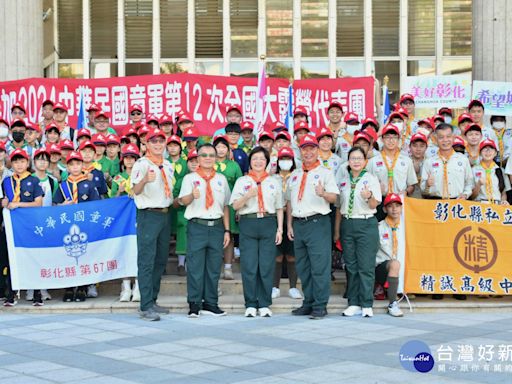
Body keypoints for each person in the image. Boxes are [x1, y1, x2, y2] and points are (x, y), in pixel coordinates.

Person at [286, 134, 339, 319]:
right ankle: (308, 302)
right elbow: (290, 202)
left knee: (319, 266)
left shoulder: (325, 172)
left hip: (318, 223)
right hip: (299, 224)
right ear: (299, 151)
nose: (308, 152)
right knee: (303, 267)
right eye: (304, 149)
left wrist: (323, 193)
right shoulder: (295, 174)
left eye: (311, 148)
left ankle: (320, 304)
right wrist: (289, 225)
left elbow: (334, 197)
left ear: (317, 150)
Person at [178, 143, 231, 318]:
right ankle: (194, 303)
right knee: (195, 266)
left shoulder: (221, 179)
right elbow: (182, 202)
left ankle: (211, 303)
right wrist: (191, 196)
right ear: (198, 159)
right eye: (204, 155)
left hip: (216, 227)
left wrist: (227, 230)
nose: (208, 158)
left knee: (214, 267)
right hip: (197, 226)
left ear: (215, 158)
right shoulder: (189, 179)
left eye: (211, 155)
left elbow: (225, 206)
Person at [231, 147, 284, 317]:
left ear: (267, 162)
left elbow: (279, 208)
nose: (259, 162)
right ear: (250, 161)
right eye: (255, 158)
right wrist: (247, 196)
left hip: (269, 222)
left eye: (262, 158)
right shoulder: (243, 181)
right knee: (249, 264)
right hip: (249, 222)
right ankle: (251, 303)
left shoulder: (273, 182)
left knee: (267, 265)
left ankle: (264, 303)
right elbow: (235, 206)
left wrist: (280, 229)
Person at [131, 128, 174, 321]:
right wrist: (144, 180)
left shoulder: (168, 164)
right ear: (146, 145)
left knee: (160, 259)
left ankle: (153, 299)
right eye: (153, 141)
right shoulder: (141, 164)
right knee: (147, 260)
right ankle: (145, 305)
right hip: (148, 215)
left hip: (165, 214)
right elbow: (134, 191)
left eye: (160, 141)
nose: (158, 145)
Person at [334, 146, 382, 317]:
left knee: (366, 265)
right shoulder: (344, 180)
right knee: (352, 266)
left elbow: (374, 204)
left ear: (365, 161)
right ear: (348, 161)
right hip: (348, 223)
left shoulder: (371, 179)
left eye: (359, 158)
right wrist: (337, 231)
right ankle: (353, 302)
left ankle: (366, 302)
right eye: (353, 158)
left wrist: (369, 196)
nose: (356, 161)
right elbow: (339, 207)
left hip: (366, 224)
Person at [53, 151, 100, 302]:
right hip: (67, 226)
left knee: (84, 255)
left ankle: (82, 287)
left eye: (78, 164)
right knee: (68, 256)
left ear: (82, 165)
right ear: (67, 167)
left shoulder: (89, 184)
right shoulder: (62, 186)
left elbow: (96, 206)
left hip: (84, 225)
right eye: (71, 164)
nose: (75, 167)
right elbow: (54, 206)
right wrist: (62, 205)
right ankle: (68, 287)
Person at [1, 149, 43, 306]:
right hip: (11, 227)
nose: (19, 165)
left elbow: (38, 203)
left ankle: (37, 294)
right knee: (12, 259)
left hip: (30, 225)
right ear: (11, 164)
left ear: (27, 163)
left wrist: (17, 204)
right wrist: (3, 203)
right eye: (16, 162)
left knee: (33, 257)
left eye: (22, 161)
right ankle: (11, 294)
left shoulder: (34, 180)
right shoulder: (6, 181)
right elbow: (3, 200)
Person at [27, 147, 59, 304]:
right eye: (39, 159)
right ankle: (30, 288)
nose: (42, 162)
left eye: (45, 159)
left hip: (48, 222)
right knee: (31, 255)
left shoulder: (52, 181)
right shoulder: (28, 179)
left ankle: (43, 288)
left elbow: (55, 202)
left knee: (45, 256)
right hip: (30, 222)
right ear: (34, 162)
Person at [111, 144, 141, 302]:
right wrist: (120, 191)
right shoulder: (118, 178)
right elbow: (112, 201)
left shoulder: (140, 177)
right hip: (123, 221)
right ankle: (125, 287)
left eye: (132, 158)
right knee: (124, 253)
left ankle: (137, 287)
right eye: (127, 158)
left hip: (138, 219)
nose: (129, 161)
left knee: (137, 253)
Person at [272, 146, 302, 300]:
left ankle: (292, 287)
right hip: (276, 219)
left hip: (293, 219)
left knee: (291, 255)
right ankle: (274, 287)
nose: (285, 162)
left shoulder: (297, 176)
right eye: (282, 159)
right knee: (277, 255)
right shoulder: (272, 178)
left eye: (288, 159)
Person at [213, 135, 243, 280]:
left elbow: (240, 186)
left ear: (228, 149)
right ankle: (215, 269)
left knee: (229, 236)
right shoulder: (208, 164)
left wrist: (238, 209)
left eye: (224, 147)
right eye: (218, 147)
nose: (220, 150)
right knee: (214, 237)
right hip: (212, 205)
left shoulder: (234, 166)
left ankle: (228, 267)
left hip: (229, 206)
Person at [420, 123, 474, 200]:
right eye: (441, 137)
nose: (445, 140)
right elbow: (423, 190)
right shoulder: (429, 162)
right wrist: (427, 185)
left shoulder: (463, 159)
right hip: (435, 204)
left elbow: (470, 183)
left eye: (448, 136)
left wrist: (465, 194)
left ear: (453, 137)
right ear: (435, 139)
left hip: (457, 203)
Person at [367, 123, 417, 198]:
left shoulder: (407, 161)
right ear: (382, 139)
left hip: (400, 200)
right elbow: (366, 184)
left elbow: (412, 185)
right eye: (387, 137)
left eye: (394, 137)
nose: (391, 140)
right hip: (379, 200)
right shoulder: (372, 162)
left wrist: (406, 192)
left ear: (398, 139)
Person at [376, 193, 405, 317]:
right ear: (384, 209)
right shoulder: (379, 227)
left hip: (403, 269)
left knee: (398, 264)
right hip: (383, 267)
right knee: (394, 264)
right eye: (390, 206)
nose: (394, 209)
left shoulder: (407, 228)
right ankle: (393, 303)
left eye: (397, 206)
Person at [172, 149, 198, 279]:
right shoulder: (182, 180)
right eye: (191, 161)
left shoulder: (207, 178)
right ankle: (181, 264)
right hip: (184, 212)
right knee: (182, 236)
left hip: (200, 214)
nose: (194, 164)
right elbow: (174, 198)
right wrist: (181, 201)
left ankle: (192, 264)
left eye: (197, 161)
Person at [167, 134, 188, 275]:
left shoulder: (186, 163)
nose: (173, 148)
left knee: (182, 232)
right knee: (166, 231)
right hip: (166, 201)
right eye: (170, 145)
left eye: (176, 145)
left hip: (182, 202)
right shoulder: (163, 162)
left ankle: (181, 264)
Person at [472, 139, 509, 205]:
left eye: (491, 149)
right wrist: (478, 185)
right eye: (485, 149)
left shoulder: (500, 170)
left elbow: (503, 192)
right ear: (480, 153)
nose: (488, 152)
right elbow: (471, 196)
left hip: (497, 206)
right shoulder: (474, 170)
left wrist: (503, 201)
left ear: (495, 153)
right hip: (480, 205)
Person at [409, 133, 428, 199]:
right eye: (415, 145)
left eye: (422, 146)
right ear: (409, 147)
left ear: (426, 147)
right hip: (408, 201)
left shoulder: (431, 163)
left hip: (427, 200)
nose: (418, 149)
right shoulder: (404, 163)